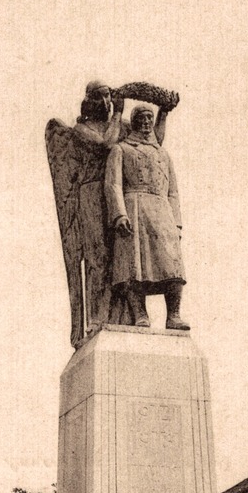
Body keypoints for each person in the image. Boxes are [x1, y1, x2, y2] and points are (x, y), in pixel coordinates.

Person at [104, 105, 189, 331]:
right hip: (135, 207)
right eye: (141, 118)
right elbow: (113, 184)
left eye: (150, 118)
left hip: (162, 210)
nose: (146, 122)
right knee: (135, 266)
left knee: (172, 265)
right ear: (133, 122)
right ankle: (140, 314)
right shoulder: (121, 149)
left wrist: (177, 223)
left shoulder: (163, 154)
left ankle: (174, 314)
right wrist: (119, 214)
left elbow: (173, 191)